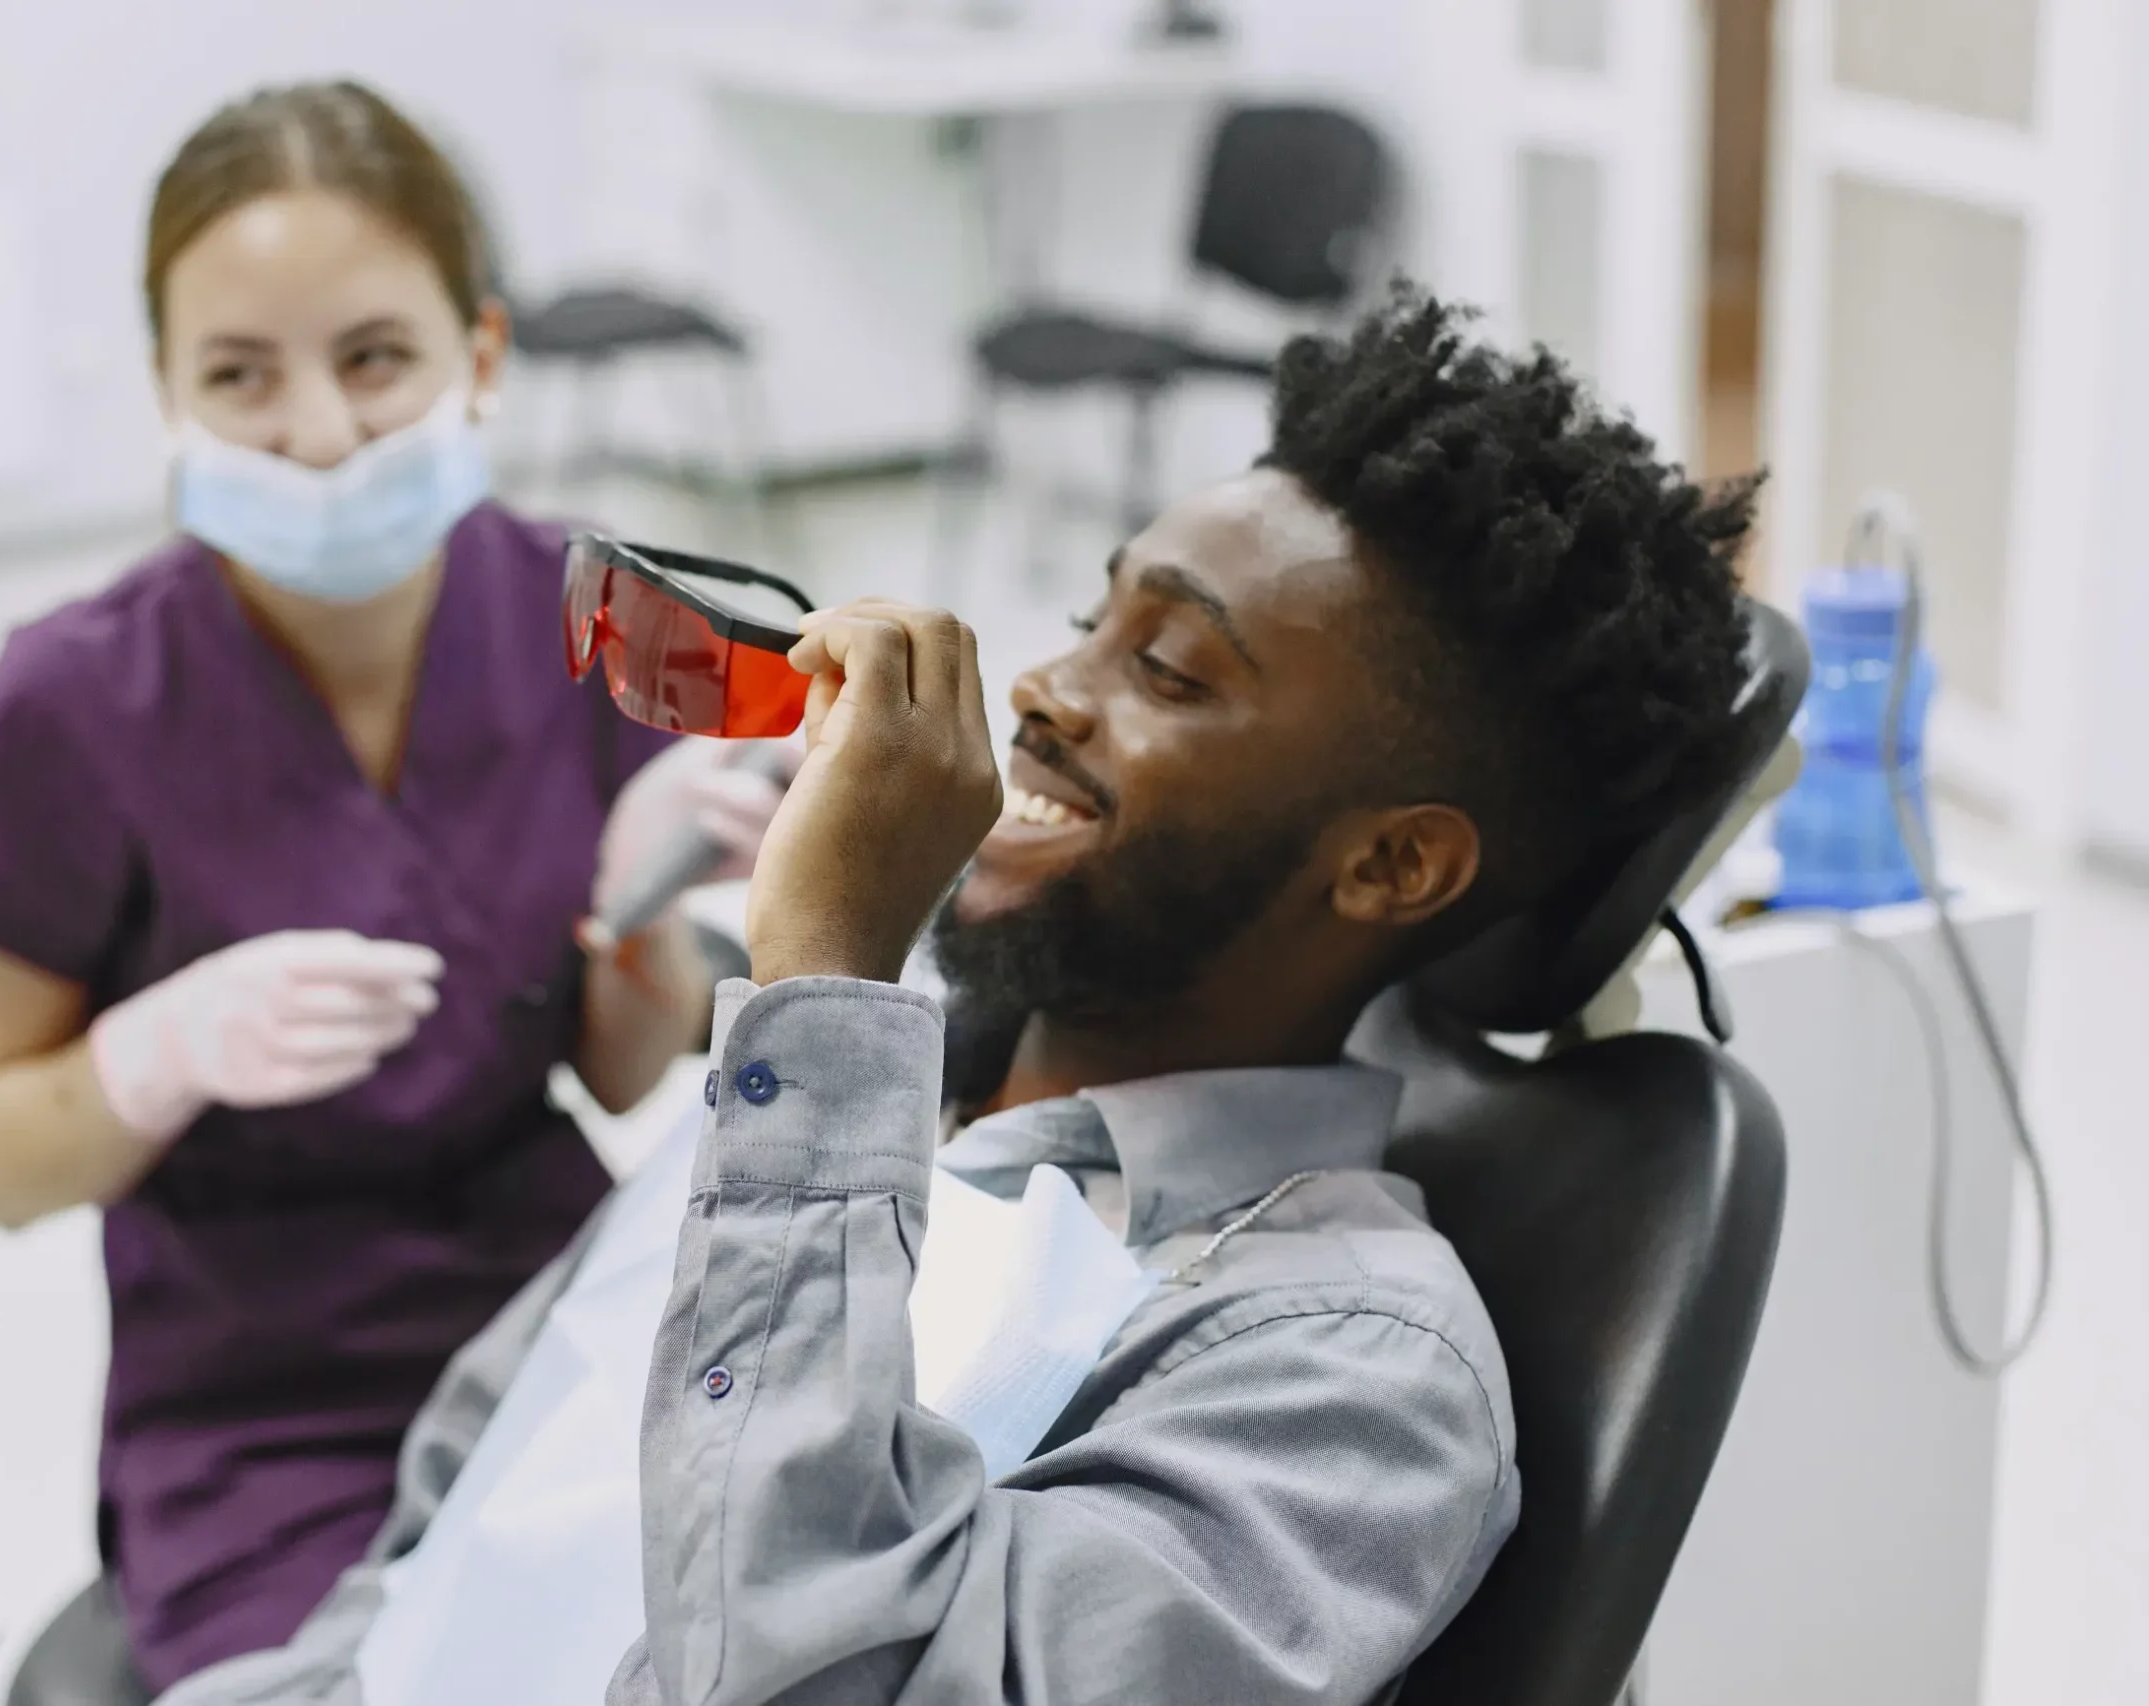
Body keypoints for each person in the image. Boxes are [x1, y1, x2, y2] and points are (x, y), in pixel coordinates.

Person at [159, 289, 1759, 1706]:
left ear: (1394, 867)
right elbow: (470, 1488)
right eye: (1094, 622)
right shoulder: (874, 1090)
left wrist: (825, 988)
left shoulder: (1350, 1377)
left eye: (1174, 672)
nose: (1050, 693)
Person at [0, 81, 786, 1692]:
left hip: (565, 1322)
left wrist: (637, 904)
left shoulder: (577, 615)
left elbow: (615, 1064)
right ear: (165, 394)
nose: (316, 432)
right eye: (239, 376)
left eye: (376, 359)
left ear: (483, 359)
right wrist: (148, 1056)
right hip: (259, 1402)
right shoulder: (73, 701)